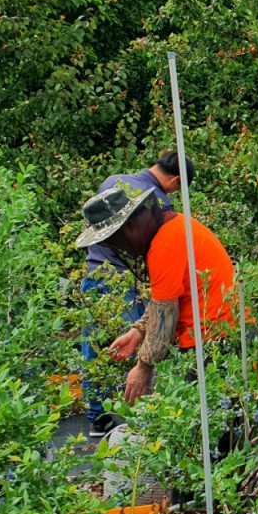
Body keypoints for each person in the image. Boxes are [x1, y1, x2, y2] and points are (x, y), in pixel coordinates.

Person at [75, 186, 235, 406]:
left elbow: (164, 319)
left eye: (114, 241)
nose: (117, 248)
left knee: (211, 428)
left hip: (213, 345)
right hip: (225, 336)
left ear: (129, 227)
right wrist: (138, 330)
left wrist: (142, 369)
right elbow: (167, 298)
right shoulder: (177, 225)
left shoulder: (164, 246)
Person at [80, 151, 195, 436]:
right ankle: (145, 416)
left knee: (94, 344)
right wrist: (144, 357)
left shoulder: (113, 181)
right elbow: (163, 319)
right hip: (119, 277)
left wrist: (138, 331)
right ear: (176, 181)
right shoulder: (157, 207)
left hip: (92, 271)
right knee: (149, 352)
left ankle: (97, 415)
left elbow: (162, 303)